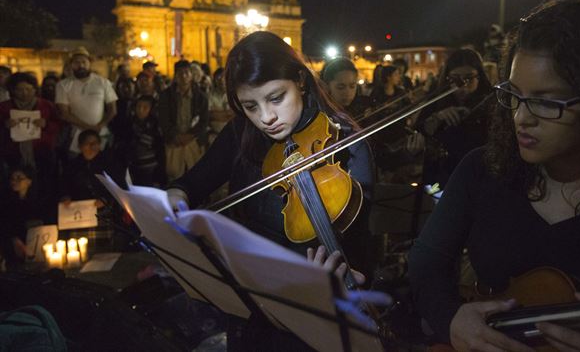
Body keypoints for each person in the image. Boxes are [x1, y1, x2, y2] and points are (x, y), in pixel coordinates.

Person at [408, 0, 580, 352]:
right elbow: (427, 261)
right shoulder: (480, 170)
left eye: (547, 102)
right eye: (514, 95)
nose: (520, 118)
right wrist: (450, 317)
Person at [167, 30, 375, 350]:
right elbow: (192, 183)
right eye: (250, 105)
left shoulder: (345, 145)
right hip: (251, 298)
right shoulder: (242, 132)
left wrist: (330, 274)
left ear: (300, 82)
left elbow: (355, 248)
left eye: (276, 98)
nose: (266, 117)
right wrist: (177, 199)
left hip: (315, 317)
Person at [416, 48, 493, 188]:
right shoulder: (437, 100)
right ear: (447, 78)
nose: (463, 86)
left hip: (480, 179)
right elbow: (420, 129)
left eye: (469, 78)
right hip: (440, 180)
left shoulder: (491, 101)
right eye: (455, 79)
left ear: (479, 77)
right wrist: (437, 118)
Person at [0, 73, 61, 187]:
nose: (24, 93)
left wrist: (46, 124)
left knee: (44, 182)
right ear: (12, 90)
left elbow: (58, 125)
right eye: (20, 90)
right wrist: (5, 125)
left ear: (34, 89)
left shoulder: (46, 105)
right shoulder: (4, 107)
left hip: (42, 152)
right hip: (13, 153)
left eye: (28, 89)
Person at [55, 47, 118, 155]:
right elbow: (64, 113)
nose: (81, 65)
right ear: (71, 65)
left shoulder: (103, 82)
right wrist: (88, 128)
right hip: (76, 135)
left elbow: (112, 109)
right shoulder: (63, 85)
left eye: (84, 62)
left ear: (89, 63)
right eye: (77, 62)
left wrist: (99, 126)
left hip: (101, 133)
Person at [158, 60, 209, 181]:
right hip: (174, 141)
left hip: (193, 141)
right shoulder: (166, 96)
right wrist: (175, 135)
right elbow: (163, 119)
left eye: (186, 72)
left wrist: (190, 135)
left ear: (191, 75)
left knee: (196, 174)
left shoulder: (201, 96)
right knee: (174, 174)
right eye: (180, 73)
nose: (184, 76)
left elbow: (204, 120)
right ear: (175, 76)